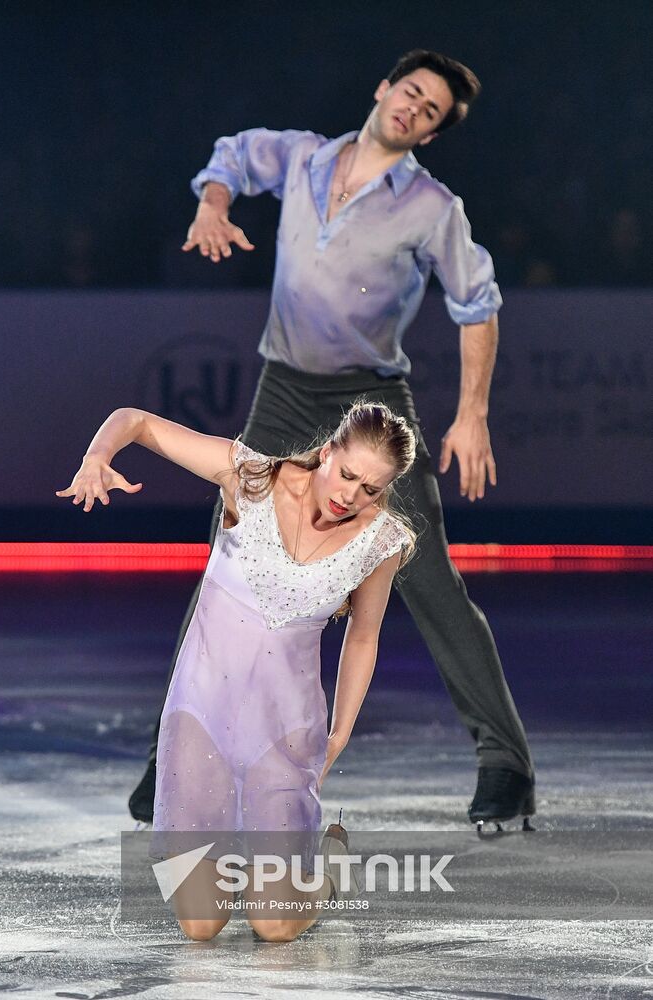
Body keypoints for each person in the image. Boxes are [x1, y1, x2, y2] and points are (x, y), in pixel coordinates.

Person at [130, 47, 536, 831]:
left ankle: (505, 761)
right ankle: (172, 755)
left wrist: (473, 411)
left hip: (370, 400)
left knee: (425, 580)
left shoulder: (429, 206)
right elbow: (233, 156)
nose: (413, 110)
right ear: (384, 88)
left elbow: (477, 302)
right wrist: (214, 202)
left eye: (431, 112)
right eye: (410, 93)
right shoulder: (306, 158)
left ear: (431, 132)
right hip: (285, 387)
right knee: (232, 557)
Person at [57, 400, 417, 941]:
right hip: (202, 716)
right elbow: (140, 422)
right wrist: (96, 456)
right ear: (327, 454)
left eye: (370, 488)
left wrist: (339, 733)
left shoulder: (380, 539)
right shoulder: (251, 479)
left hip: (284, 730)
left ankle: (324, 875)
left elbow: (363, 636)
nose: (350, 496)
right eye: (346, 475)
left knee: (273, 927)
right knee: (201, 926)